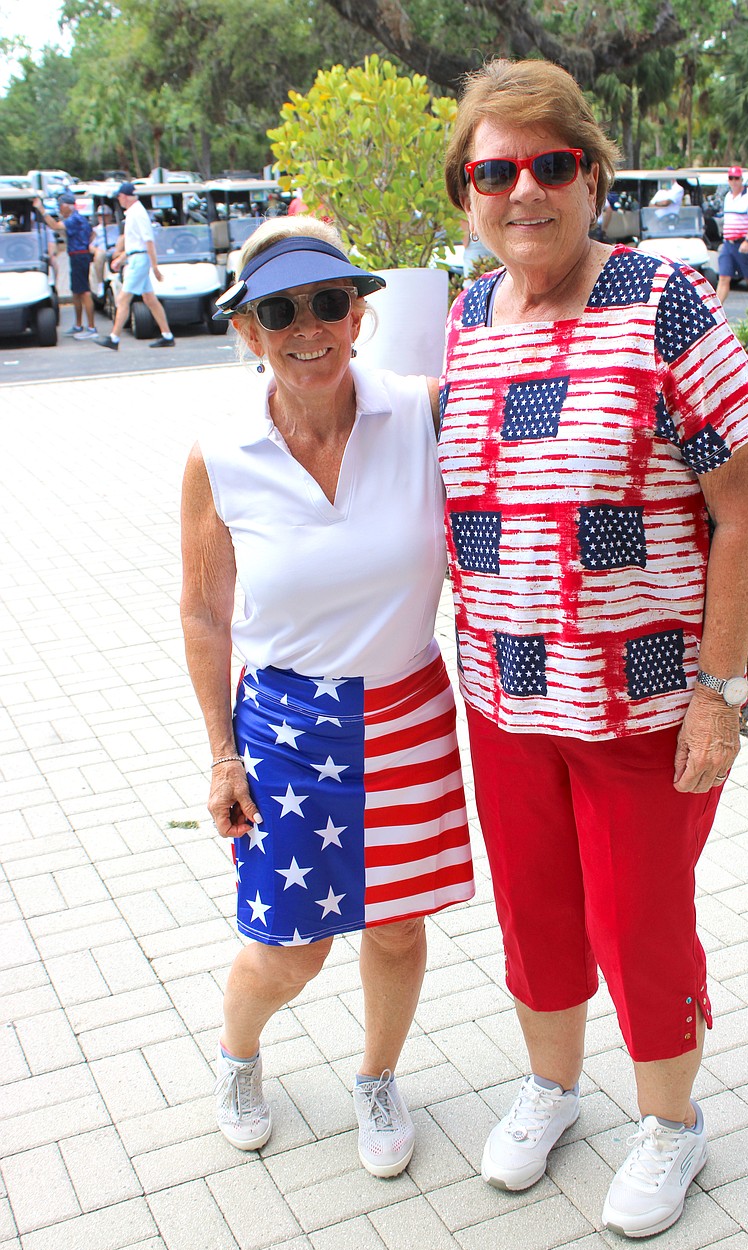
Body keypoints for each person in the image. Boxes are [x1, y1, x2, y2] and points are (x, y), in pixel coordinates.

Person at [440, 59, 748, 1239]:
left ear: (591, 173)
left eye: (549, 164)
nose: (522, 190)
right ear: (465, 191)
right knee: (535, 915)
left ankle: (670, 1124)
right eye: (494, 170)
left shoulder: (660, 301)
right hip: (505, 696)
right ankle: (550, 1089)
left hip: (642, 704)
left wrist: (718, 692)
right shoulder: (468, 317)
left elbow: (745, 502)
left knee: (640, 922)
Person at [180, 215, 474, 1174]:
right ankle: (237, 1053)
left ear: (359, 314)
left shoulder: (420, 412)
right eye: (280, 308)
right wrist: (221, 752)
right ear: (250, 332)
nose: (308, 326)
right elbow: (206, 617)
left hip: (408, 711)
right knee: (288, 949)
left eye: (328, 301)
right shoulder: (220, 456)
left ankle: (378, 1075)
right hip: (287, 731)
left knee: (394, 927)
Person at [96, 182, 175, 351]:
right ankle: (167, 335)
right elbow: (137, 244)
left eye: (119, 197)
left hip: (139, 260)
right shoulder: (134, 212)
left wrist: (154, 266)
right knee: (149, 299)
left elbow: (148, 241)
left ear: (124, 197)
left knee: (123, 299)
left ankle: (114, 337)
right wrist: (122, 258)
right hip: (137, 257)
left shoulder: (137, 213)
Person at [33, 191, 98, 339]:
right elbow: (92, 234)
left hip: (78, 255)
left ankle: (92, 327)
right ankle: (78, 324)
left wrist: (42, 210)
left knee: (84, 291)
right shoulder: (80, 219)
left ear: (67, 206)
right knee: (76, 291)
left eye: (61, 206)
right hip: (79, 254)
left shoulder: (73, 219)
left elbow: (55, 226)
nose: (60, 209)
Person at [716, 166, 748, 304]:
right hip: (728, 243)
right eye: (731, 178)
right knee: (724, 277)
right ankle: (715, 312)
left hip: (743, 242)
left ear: (741, 179)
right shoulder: (728, 197)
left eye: (737, 178)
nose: (734, 181)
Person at [91, 206, 119, 298]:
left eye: (105, 215)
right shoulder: (95, 230)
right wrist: (97, 250)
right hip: (103, 252)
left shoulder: (117, 228)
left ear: (110, 216)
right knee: (99, 255)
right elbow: (90, 246)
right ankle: (100, 284)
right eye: (99, 215)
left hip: (116, 251)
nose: (101, 218)